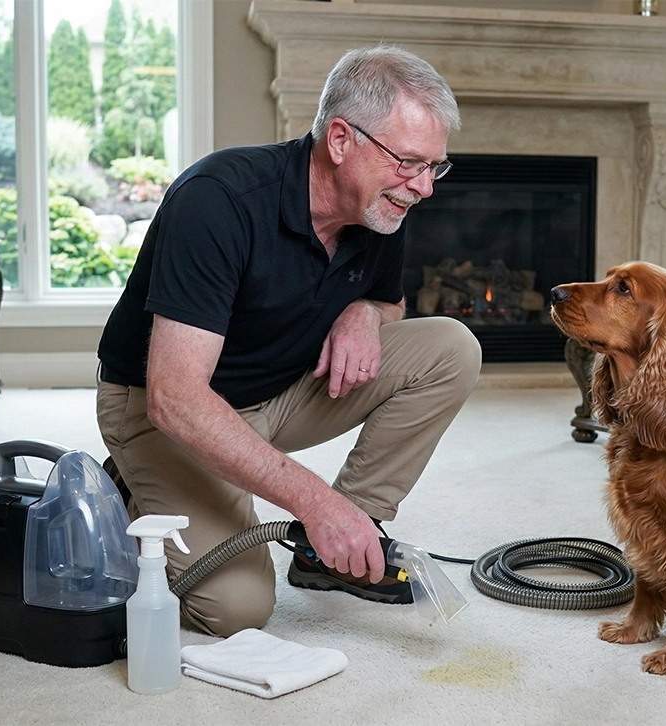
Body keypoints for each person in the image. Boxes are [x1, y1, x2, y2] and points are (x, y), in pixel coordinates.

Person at [95, 45, 481, 637]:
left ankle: (341, 551)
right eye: (410, 162)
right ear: (341, 140)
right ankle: (127, 492)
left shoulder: (380, 205)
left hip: (284, 390)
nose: (424, 188)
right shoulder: (219, 201)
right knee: (237, 610)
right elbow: (173, 397)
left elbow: (390, 300)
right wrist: (313, 502)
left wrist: (365, 313)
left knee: (451, 348)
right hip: (167, 411)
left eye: (435, 166)